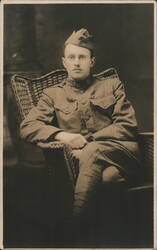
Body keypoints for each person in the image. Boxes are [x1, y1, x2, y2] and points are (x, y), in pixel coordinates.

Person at [20, 28, 141, 246]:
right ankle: (115, 238)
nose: (77, 62)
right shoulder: (53, 94)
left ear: (92, 61)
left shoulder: (111, 85)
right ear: (64, 62)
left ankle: (73, 231)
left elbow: (128, 125)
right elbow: (28, 126)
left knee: (93, 151)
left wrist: (89, 142)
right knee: (109, 178)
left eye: (82, 57)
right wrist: (63, 135)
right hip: (94, 166)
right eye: (72, 57)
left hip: (124, 153)